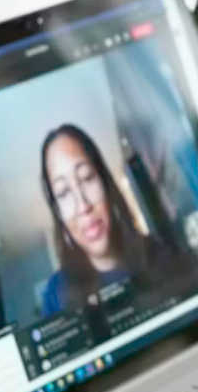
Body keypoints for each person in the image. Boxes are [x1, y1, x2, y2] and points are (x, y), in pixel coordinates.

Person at [37, 123, 171, 316]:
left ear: (106, 183)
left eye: (87, 178)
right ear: (58, 214)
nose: (83, 206)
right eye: (64, 192)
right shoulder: (56, 295)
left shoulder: (159, 253)